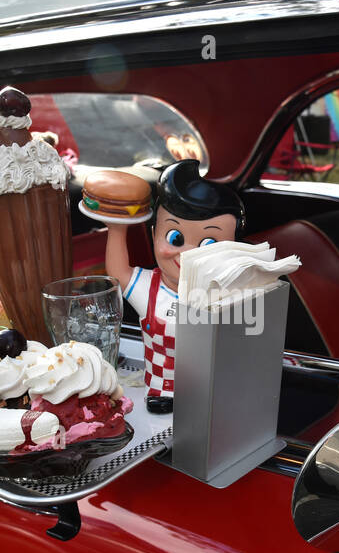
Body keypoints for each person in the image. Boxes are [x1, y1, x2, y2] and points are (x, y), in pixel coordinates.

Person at [103, 159, 245, 412]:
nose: (188, 253)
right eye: (175, 238)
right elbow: (118, 272)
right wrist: (117, 229)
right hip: (162, 386)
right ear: (154, 233)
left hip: (211, 391)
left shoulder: (228, 293)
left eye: (208, 244)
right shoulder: (150, 288)